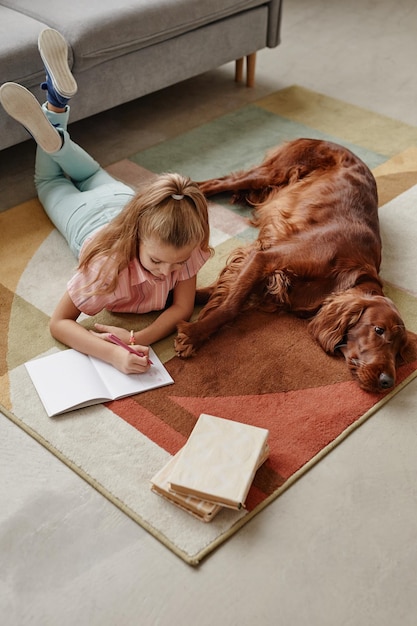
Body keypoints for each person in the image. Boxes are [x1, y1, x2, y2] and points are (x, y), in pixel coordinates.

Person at [0, 29, 212, 375]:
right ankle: (55, 112)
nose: (167, 273)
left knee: (88, 171)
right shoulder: (106, 268)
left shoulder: (182, 244)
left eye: (178, 265)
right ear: (138, 233)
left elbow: (181, 310)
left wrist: (136, 338)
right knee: (48, 180)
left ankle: (56, 109)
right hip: (84, 218)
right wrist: (111, 354)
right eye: (157, 261)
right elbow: (59, 323)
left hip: (120, 198)